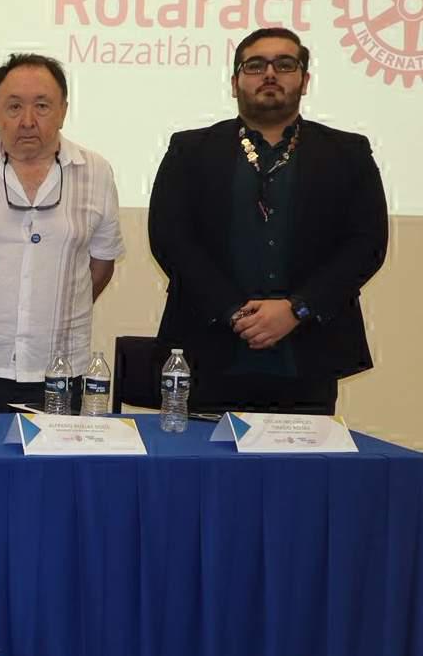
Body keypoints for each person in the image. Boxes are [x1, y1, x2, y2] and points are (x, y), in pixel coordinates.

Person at [149, 28, 387, 415]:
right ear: (234, 82)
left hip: (309, 351)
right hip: (208, 348)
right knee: (206, 474)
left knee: (303, 475)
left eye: (285, 64)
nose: (270, 74)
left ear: (305, 80)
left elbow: (367, 245)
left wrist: (297, 310)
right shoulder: (190, 150)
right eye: (256, 65)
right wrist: (234, 312)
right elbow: (170, 240)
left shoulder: (348, 153)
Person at [0, 54, 123, 413]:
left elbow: (101, 266)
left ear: (63, 110)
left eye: (42, 106)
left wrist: (55, 309)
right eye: (13, 107)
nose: (27, 121)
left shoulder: (97, 173)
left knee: (54, 471)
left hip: (61, 370)